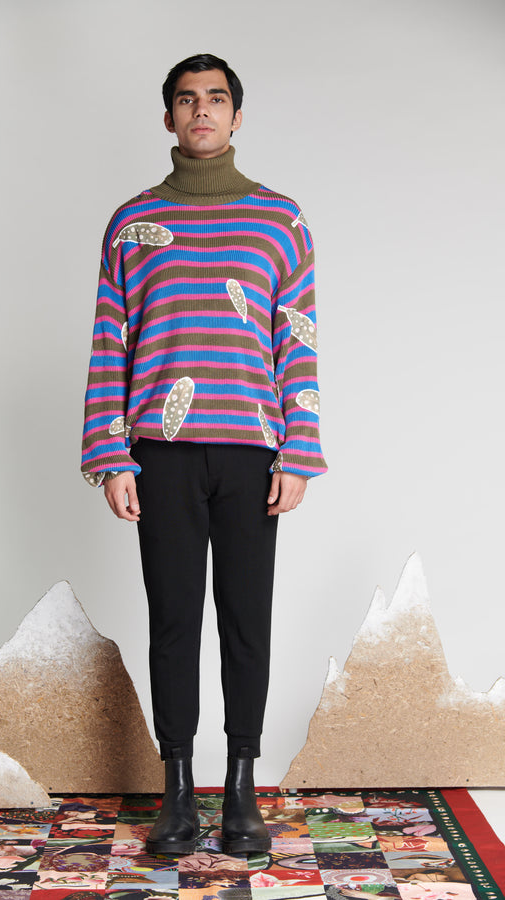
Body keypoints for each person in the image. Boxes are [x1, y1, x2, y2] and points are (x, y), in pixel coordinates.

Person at [81, 53, 327, 855]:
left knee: (246, 621)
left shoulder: (280, 221)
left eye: (215, 98)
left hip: (254, 450)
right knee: (174, 621)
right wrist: (111, 455)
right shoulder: (132, 223)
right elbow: (110, 342)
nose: (202, 111)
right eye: (187, 99)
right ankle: (178, 790)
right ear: (169, 117)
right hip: (162, 453)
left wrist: (300, 450)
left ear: (236, 115)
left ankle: (243, 789)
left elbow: (297, 342)